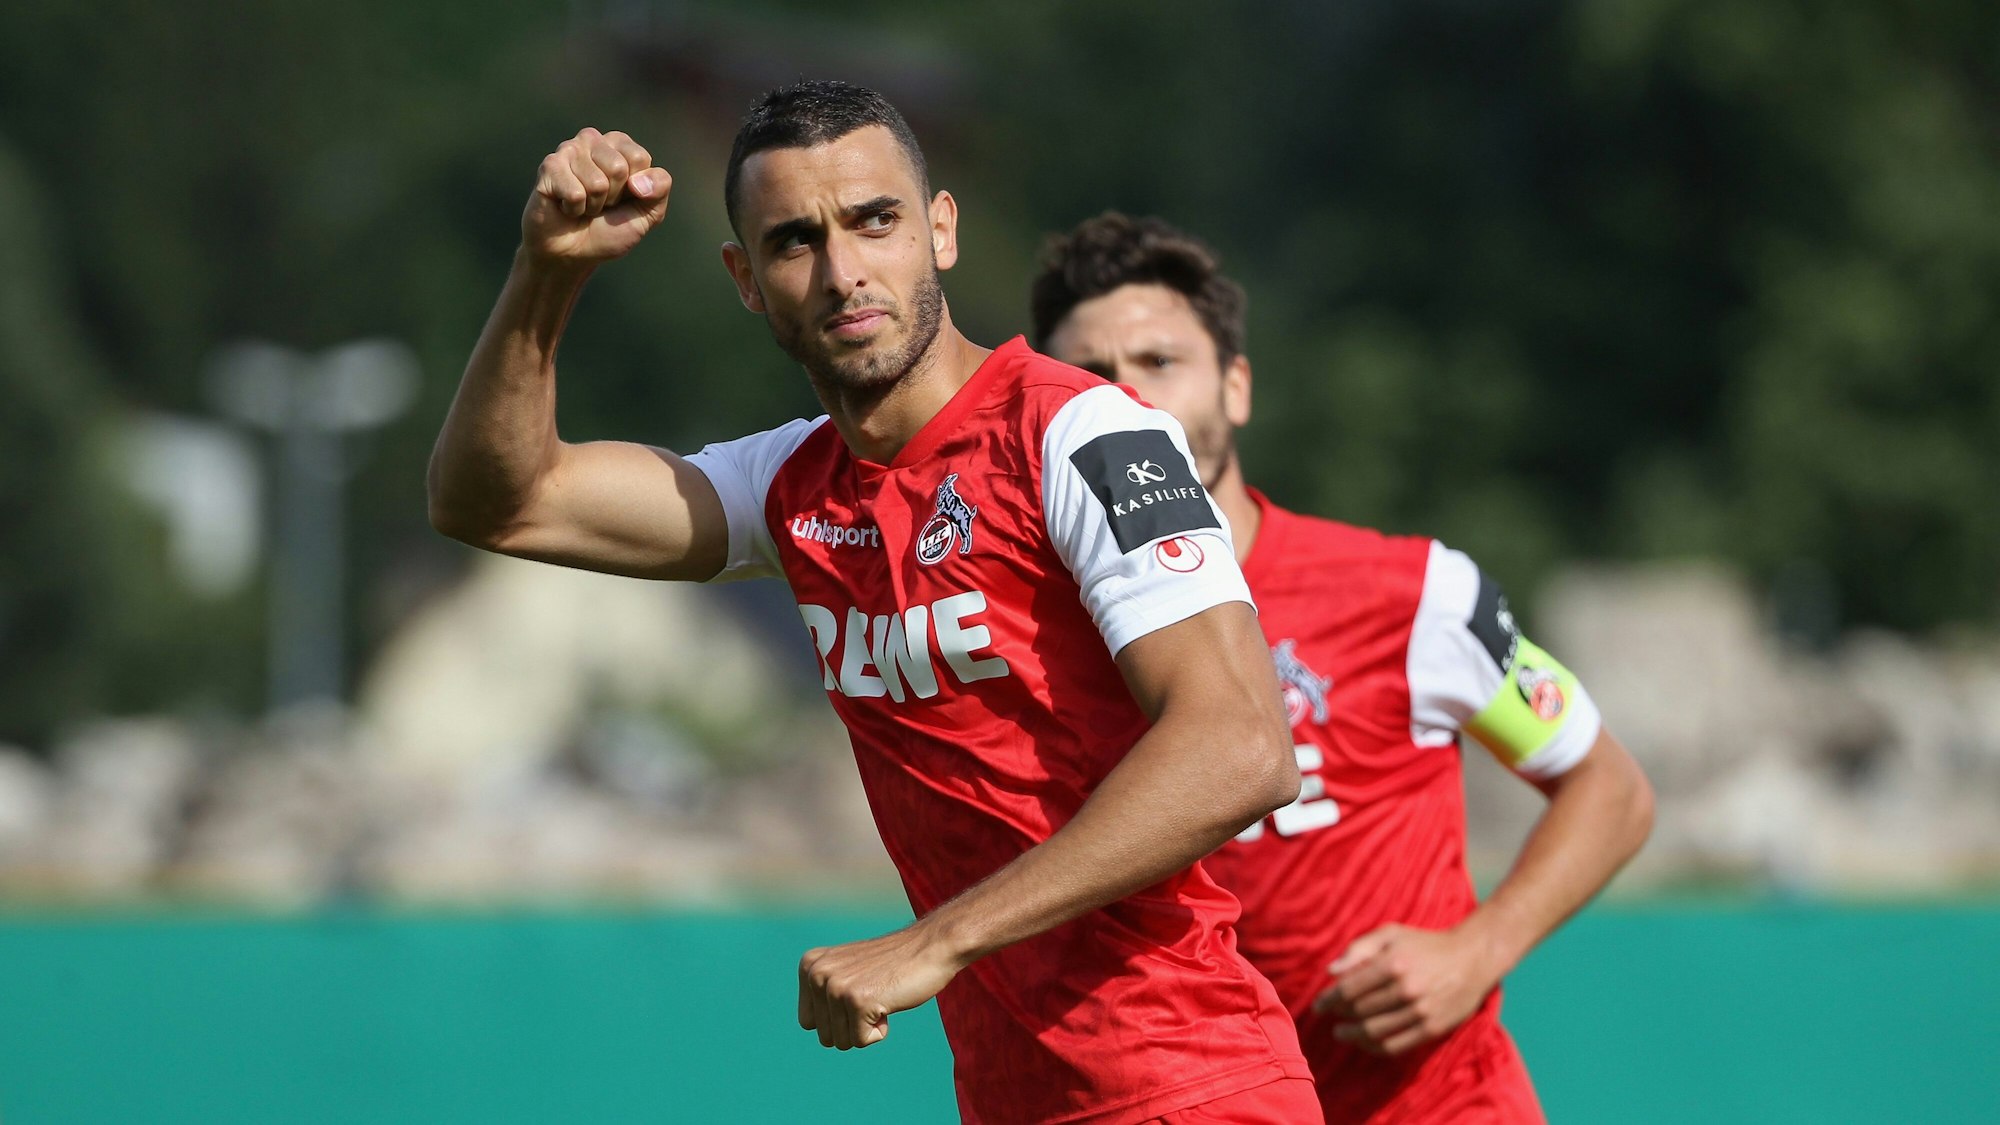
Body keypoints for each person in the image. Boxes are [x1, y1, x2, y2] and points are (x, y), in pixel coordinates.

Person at [428, 83, 1323, 1123]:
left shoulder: (1083, 434)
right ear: (747, 281)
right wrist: (547, 269)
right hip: (1017, 1098)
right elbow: (497, 502)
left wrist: (935, 940)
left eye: (874, 220)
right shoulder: (789, 485)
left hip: (1189, 1080)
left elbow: (1242, 745)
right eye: (795, 241)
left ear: (940, 230)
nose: (843, 270)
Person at [1031, 213, 1656, 1124]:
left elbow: (1610, 788)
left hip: (1435, 1104)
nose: (1124, 398)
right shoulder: (1031, 638)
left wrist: (1477, 950)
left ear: (1236, 386)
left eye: (1159, 361)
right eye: (1087, 377)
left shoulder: (1408, 591)